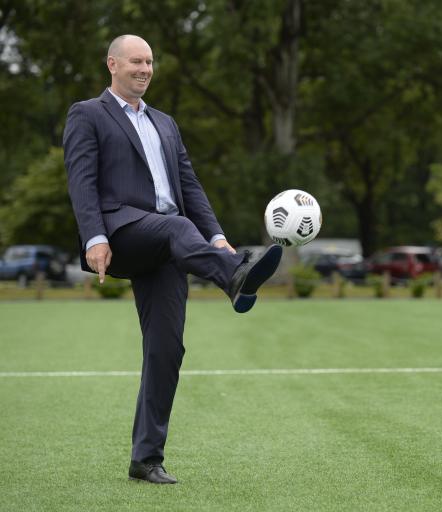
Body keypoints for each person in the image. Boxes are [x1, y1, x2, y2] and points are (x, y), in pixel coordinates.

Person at [63, 34, 282, 483]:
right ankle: (236, 278)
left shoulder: (165, 123)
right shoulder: (87, 114)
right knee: (178, 226)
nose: (144, 69)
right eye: (135, 62)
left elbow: (191, 186)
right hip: (122, 231)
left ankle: (146, 458)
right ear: (112, 65)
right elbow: (81, 181)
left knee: (167, 349)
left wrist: (217, 237)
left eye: (149, 62)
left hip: (168, 243)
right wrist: (94, 237)